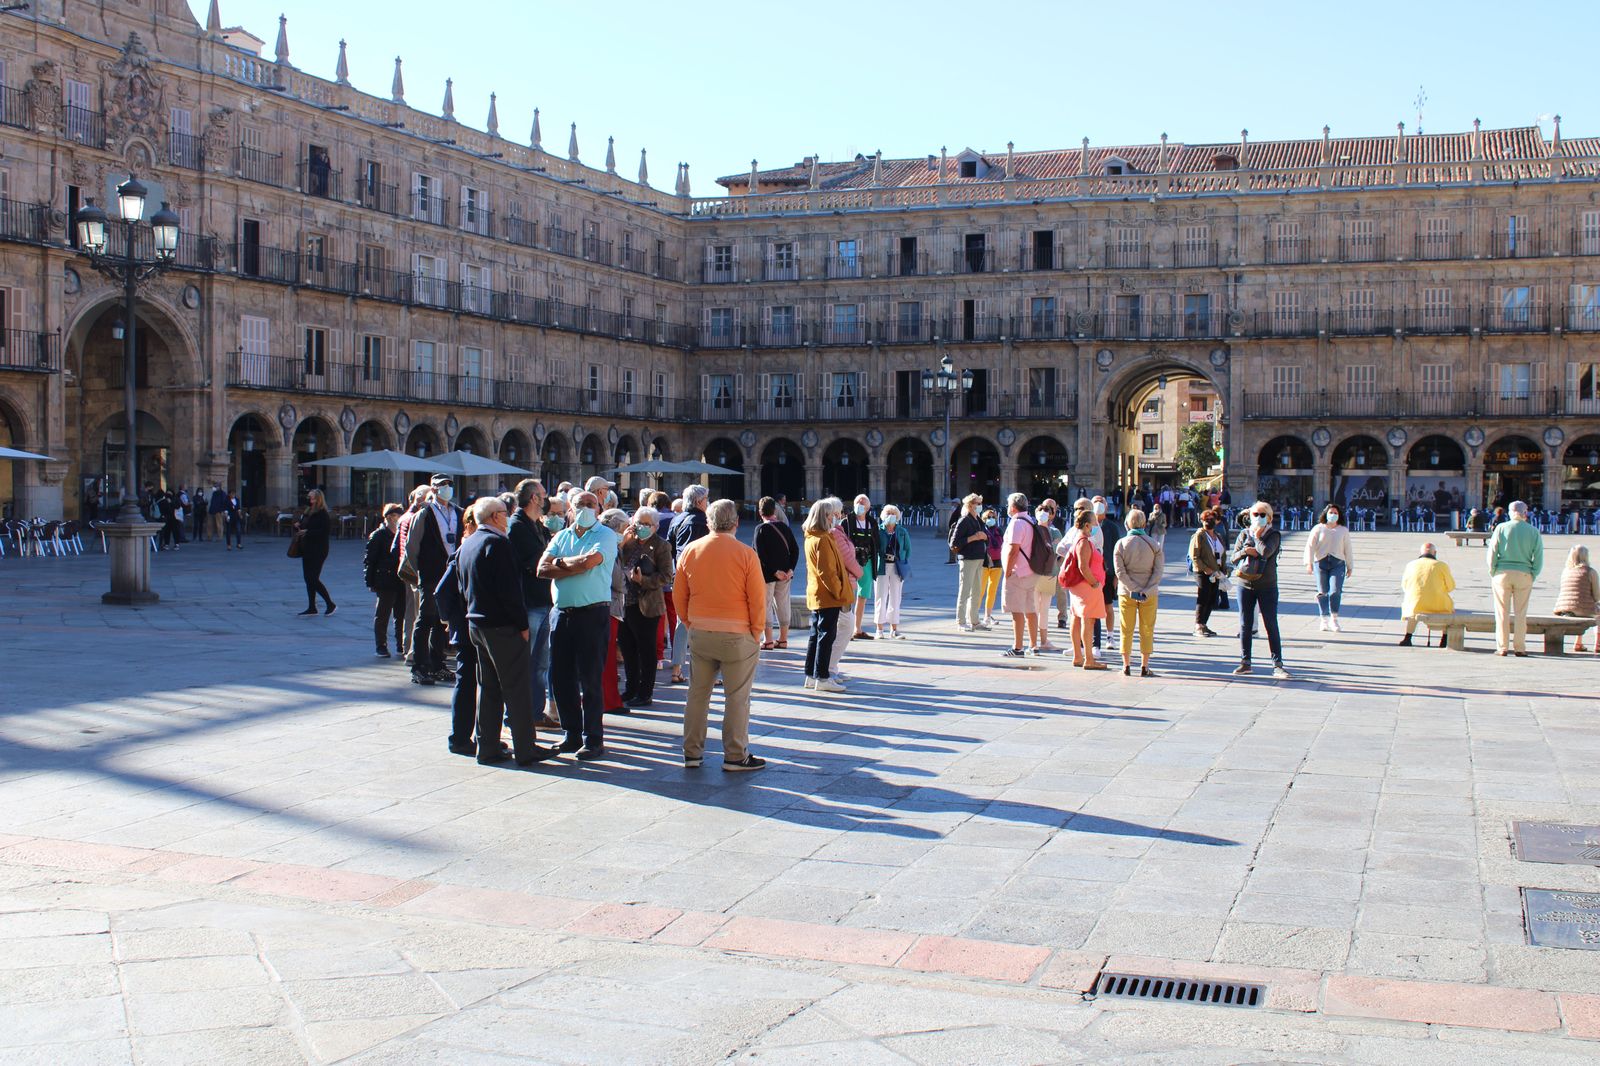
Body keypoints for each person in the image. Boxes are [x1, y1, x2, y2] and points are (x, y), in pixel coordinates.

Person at [458, 497, 557, 767]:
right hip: (502, 626)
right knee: (517, 687)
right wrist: (522, 625)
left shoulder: (469, 543)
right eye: (504, 513)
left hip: (477, 623)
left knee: (489, 687)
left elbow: (462, 586)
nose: (507, 518)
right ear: (494, 517)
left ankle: (487, 746)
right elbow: (510, 590)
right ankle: (526, 748)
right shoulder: (497, 543)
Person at [673, 499, 768, 770]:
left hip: (701, 631)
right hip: (738, 635)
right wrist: (756, 632)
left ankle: (692, 752)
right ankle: (735, 755)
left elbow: (680, 594)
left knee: (697, 694)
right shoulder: (746, 554)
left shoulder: (691, 550)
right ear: (736, 523)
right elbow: (757, 599)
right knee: (737, 697)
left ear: (708, 522)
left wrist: (690, 623)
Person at [538, 489, 620, 758]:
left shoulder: (606, 535)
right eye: (580, 504)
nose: (585, 508)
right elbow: (542, 568)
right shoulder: (562, 535)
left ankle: (593, 738)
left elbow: (591, 562)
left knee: (590, 678)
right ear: (570, 509)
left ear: (598, 508)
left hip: (592, 614)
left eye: (590, 504)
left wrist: (559, 564)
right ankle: (570, 733)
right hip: (561, 613)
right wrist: (569, 564)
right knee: (561, 678)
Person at [402, 474, 464, 685]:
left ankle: (437, 663)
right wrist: (417, 572)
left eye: (449, 485)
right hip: (430, 574)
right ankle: (420, 665)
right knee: (425, 619)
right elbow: (413, 545)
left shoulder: (458, 512)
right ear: (434, 489)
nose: (447, 488)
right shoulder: (425, 513)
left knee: (442, 621)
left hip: (451, 574)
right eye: (442, 486)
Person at [506, 479, 556, 723]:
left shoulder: (538, 526)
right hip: (530, 601)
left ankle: (535, 712)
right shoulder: (517, 526)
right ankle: (516, 714)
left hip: (544, 600)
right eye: (543, 495)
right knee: (524, 661)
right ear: (534, 498)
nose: (546, 500)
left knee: (541, 663)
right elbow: (537, 561)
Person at [618, 506, 673, 707]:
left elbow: (666, 576)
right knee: (628, 649)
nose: (642, 527)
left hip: (647, 604)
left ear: (656, 526)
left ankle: (645, 692)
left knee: (646, 650)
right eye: (639, 522)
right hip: (625, 603)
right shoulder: (628, 543)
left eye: (647, 524)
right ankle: (630, 688)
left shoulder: (661, 546)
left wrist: (644, 580)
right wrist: (622, 543)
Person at [1231, 501, 1290, 678]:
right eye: (1255, 514)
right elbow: (1234, 557)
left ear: (1269, 517)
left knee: (1270, 623)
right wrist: (1245, 552)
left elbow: (1265, 552)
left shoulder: (1274, 535)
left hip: (1267, 585)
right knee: (1245, 624)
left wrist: (1257, 538)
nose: (1258, 518)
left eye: (1262, 515)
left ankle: (1277, 664)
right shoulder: (1243, 534)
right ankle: (1245, 662)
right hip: (1245, 584)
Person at [803, 497, 850, 693]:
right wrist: (839, 592)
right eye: (831, 515)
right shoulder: (822, 540)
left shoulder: (813, 537)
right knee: (826, 636)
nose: (834, 518)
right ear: (824, 516)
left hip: (817, 594)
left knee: (816, 635)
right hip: (828, 595)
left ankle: (811, 675)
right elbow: (828, 572)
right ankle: (822, 677)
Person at [1487, 499, 1544, 657]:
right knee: (1521, 613)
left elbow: (1492, 552)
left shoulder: (1501, 528)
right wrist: (1533, 573)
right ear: (1525, 513)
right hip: (1524, 573)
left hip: (1502, 573)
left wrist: (1493, 571)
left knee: (1502, 612)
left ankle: (1502, 647)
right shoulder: (1533, 531)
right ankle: (1519, 647)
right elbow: (1538, 557)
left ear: (1510, 513)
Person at [666, 484, 710, 684]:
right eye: (706, 500)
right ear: (700, 501)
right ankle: (704, 672)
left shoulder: (677, 519)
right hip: (699, 579)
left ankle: (676, 669)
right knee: (706, 625)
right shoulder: (701, 521)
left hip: (679, 577)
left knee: (680, 623)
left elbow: (671, 549)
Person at [1113, 508, 1164, 677]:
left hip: (1126, 592)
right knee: (1147, 628)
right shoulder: (1154, 544)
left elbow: (1119, 572)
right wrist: (1146, 589)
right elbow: (1158, 571)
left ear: (1127, 523)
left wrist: (1133, 588)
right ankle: (1144, 665)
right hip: (1149, 593)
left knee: (1126, 628)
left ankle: (1126, 665)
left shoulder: (1120, 544)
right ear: (1144, 523)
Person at [999, 493, 1047, 658]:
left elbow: (1013, 550)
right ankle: (1033, 645)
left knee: (1016, 610)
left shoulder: (1017, 523)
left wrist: (1008, 571)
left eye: (1008, 505)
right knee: (1030, 608)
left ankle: (1017, 647)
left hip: (1018, 572)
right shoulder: (1031, 520)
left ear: (1013, 507)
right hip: (1031, 570)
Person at [1060, 509, 1108, 669]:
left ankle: (1078, 656)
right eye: (1094, 523)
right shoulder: (1084, 542)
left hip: (1078, 587)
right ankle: (1089, 659)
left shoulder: (1079, 539)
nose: (1096, 525)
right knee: (1088, 620)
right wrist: (1094, 582)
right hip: (1086, 587)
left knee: (1077, 618)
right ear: (1087, 525)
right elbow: (1083, 566)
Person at [754, 496, 800, 649]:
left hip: (768, 575)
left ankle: (768, 641)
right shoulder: (784, 527)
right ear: (774, 511)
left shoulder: (760, 529)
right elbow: (795, 549)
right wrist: (790, 569)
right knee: (783, 604)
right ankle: (783, 639)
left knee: (766, 605)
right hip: (786, 575)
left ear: (760, 512)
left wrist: (774, 571)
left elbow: (760, 555)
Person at [1304, 504, 1356, 632]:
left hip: (1337, 563)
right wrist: (1308, 563)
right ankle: (1324, 618)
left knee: (1335, 591)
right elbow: (1310, 546)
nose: (1333, 515)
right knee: (1322, 591)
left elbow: (1348, 549)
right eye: (1331, 512)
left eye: (1335, 513)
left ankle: (1334, 618)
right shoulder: (1318, 528)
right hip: (1320, 563)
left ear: (1339, 515)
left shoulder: (1343, 530)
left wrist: (1350, 566)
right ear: (1326, 514)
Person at [599, 507, 631, 713]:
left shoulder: (610, 542)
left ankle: (609, 699)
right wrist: (629, 577)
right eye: (624, 527)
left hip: (608, 604)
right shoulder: (609, 544)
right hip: (609, 605)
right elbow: (617, 580)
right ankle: (608, 700)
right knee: (607, 656)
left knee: (608, 656)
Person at [827, 499, 862, 680]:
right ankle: (830, 668)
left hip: (844, 583)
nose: (841, 515)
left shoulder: (832, 532)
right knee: (846, 626)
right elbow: (847, 557)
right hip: (842, 586)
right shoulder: (834, 533)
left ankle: (830, 667)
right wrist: (859, 572)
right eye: (838, 512)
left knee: (838, 627)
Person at [364, 503, 405, 657]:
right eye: (397, 516)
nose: (399, 519)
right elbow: (370, 561)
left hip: (400, 578)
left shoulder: (402, 534)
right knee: (383, 614)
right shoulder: (378, 535)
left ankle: (401, 644)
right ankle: (381, 645)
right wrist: (370, 582)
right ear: (389, 517)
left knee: (401, 614)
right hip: (384, 579)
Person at [1399, 542, 1456, 647]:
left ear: (1420, 552)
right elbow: (1451, 586)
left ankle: (1408, 637)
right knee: (1449, 610)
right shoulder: (1442, 565)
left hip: (1415, 605)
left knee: (1414, 606)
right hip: (1438, 605)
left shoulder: (1411, 565)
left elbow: (1405, 585)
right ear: (1435, 553)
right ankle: (1444, 639)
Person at [294, 488, 335, 616]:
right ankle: (312, 607)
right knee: (308, 578)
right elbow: (304, 524)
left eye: (311, 498)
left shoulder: (322, 513)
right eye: (309, 497)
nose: (309, 499)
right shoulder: (308, 511)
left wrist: (307, 532)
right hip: (306, 548)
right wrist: (298, 526)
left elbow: (324, 532)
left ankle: (330, 604)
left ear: (318, 499)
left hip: (319, 549)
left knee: (313, 578)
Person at [949, 493, 987, 631]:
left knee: (977, 591)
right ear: (970, 505)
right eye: (977, 503)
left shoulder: (978, 520)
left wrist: (983, 537)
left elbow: (984, 535)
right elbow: (954, 543)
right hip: (967, 558)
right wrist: (973, 538)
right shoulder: (964, 520)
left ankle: (975, 620)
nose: (980, 506)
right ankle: (961, 621)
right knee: (965, 590)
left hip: (979, 558)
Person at [1189, 507, 1228, 637]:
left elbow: (1222, 554)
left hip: (1216, 572)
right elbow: (1194, 556)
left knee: (1212, 599)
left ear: (1216, 521)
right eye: (1206, 519)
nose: (1208, 521)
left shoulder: (1218, 536)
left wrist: (1223, 569)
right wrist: (1205, 569)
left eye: (1211, 519)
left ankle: (1204, 624)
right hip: (1203, 572)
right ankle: (1198, 625)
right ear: (1202, 521)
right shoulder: (1199, 535)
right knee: (1203, 597)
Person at [845, 494, 880, 639]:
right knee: (847, 596)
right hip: (850, 562)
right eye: (858, 502)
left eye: (863, 503)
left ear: (868, 508)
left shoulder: (872, 523)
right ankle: (846, 630)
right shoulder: (846, 522)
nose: (860, 505)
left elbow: (876, 542)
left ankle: (857, 629)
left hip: (867, 561)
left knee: (863, 595)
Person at [1553, 545, 1600, 652]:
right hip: (1582, 609)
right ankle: (1598, 643)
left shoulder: (1566, 571)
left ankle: (1578, 642)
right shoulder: (1590, 572)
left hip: (1563, 609)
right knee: (1596, 611)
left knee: (1580, 607)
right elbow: (1597, 596)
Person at [875, 504, 911, 639]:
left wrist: (903, 560)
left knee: (896, 597)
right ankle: (879, 629)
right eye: (888, 513)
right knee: (880, 596)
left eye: (894, 514)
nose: (891, 516)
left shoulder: (902, 531)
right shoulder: (879, 530)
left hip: (897, 566)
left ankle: (894, 628)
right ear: (884, 516)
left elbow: (908, 549)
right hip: (882, 566)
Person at [1031, 499, 1062, 651]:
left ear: (1051, 515)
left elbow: (1059, 550)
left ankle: (1042, 639)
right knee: (1036, 607)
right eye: (1041, 512)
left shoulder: (1052, 531)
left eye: (1047, 512)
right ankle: (1036, 640)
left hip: (1047, 572)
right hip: (1038, 573)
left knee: (1043, 608)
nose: (1044, 515)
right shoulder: (1032, 530)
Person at [980, 508, 1003, 627]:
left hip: (997, 563)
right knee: (980, 590)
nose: (991, 519)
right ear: (984, 519)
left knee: (992, 591)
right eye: (988, 517)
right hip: (984, 563)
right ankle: (973, 614)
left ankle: (987, 615)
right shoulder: (982, 530)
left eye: (993, 517)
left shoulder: (999, 530)